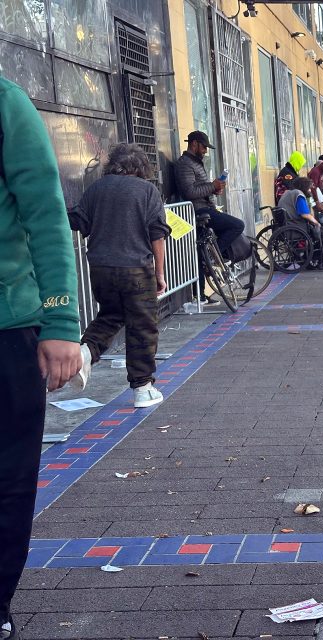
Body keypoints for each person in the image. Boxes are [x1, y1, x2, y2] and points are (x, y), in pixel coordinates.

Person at [0, 75, 82, 640]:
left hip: (7, 330)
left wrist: (58, 321)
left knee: (6, 479)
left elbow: (46, 215)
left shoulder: (5, 103)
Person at [68, 143, 171, 408]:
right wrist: (160, 273)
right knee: (143, 326)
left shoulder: (96, 189)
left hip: (100, 268)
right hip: (136, 268)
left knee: (111, 314)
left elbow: (79, 223)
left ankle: (85, 352)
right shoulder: (147, 190)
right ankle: (142, 388)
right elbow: (157, 235)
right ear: (141, 167)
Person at [175, 130, 245, 259]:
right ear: (194, 144)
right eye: (204, 146)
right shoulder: (185, 163)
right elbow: (189, 192)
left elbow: (200, 188)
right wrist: (212, 186)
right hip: (199, 210)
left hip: (206, 208)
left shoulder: (195, 162)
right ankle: (211, 256)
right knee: (238, 225)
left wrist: (214, 189)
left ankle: (212, 257)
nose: (205, 150)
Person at [277, 177, 323, 268]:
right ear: (304, 187)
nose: (309, 190)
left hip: (289, 225)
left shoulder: (288, 193)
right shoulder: (298, 195)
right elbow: (305, 214)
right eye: (308, 188)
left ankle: (319, 259)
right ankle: (315, 258)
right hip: (297, 227)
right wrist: (316, 223)